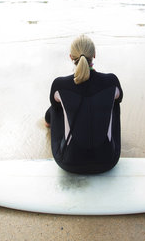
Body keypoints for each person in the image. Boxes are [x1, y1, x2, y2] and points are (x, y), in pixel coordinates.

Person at [45, 35, 123, 174]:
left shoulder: (59, 84)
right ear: (94, 54)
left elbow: (55, 107)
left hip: (69, 163)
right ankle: (106, 140)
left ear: (71, 57)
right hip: (108, 161)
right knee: (114, 103)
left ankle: (47, 123)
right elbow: (117, 99)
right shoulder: (111, 81)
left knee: (55, 108)